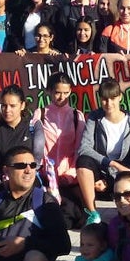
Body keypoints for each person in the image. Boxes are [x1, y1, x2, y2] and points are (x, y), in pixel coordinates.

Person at [75, 79, 130, 226]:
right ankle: (93, 213)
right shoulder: (95, 117)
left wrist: (114, 177)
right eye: (105, 99)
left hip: (122, 172)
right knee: (82, 162)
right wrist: (111, 164)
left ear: (120, 97)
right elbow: (84, 148)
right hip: (103, 169)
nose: (109, 103)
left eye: (113, 98)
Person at [30, 73, 86, 224]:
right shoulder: (40, 114)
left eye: (65, 92)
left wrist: (70, 174)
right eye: (57, 92)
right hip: (45, 179)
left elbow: (80, 149)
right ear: (49, 91)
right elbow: (35, 147)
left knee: (68, 219)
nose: (61, 97)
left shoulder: (77, 116)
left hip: (69, 179)